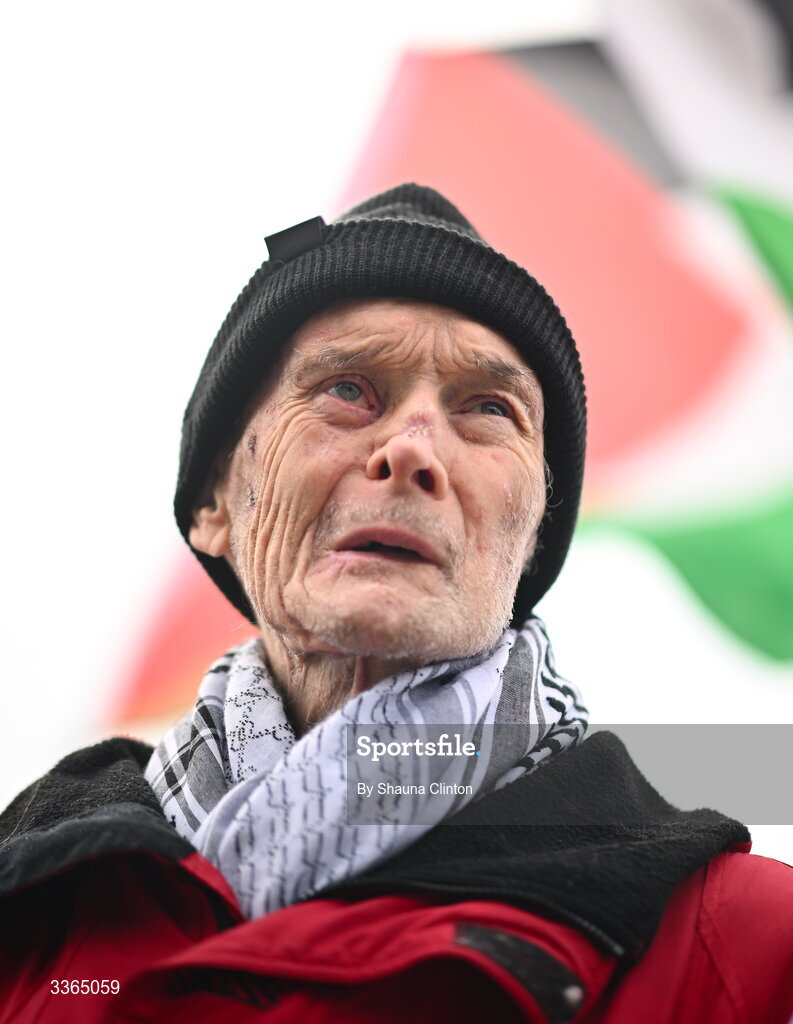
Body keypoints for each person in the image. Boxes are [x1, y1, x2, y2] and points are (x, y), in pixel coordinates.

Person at [1, 184, 791, 1023]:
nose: (413, 451)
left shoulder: (745, 946)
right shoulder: (30, 900)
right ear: (215, 506)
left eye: (488, 410)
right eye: (347, 389)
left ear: (530, 536)